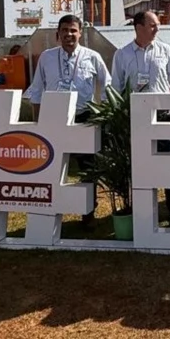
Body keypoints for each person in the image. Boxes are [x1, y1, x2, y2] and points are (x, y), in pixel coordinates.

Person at [25, 14, 110, 223]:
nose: (69, 34)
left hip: (84, 117)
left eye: (73, 30)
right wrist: (37, 123)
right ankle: (50, 210)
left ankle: (88, 211)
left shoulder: (92, 57)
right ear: (58, 34)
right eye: (64, 30)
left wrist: (106, 116)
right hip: (54, 118)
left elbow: (108, 87)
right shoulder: (46, 57)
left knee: (88, 168)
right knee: (51, 166)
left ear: (80, 33)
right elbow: (36, 90)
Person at [111, 10, 170, 224]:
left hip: (163, 116)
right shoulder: (122, 54)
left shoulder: (166, 51)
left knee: (168, 163)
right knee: (139, 164)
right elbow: (116, 86)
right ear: (138, 27)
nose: (157, 29)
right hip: (136, 117)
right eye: (152, 25)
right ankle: (141, 209)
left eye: (157, 25)